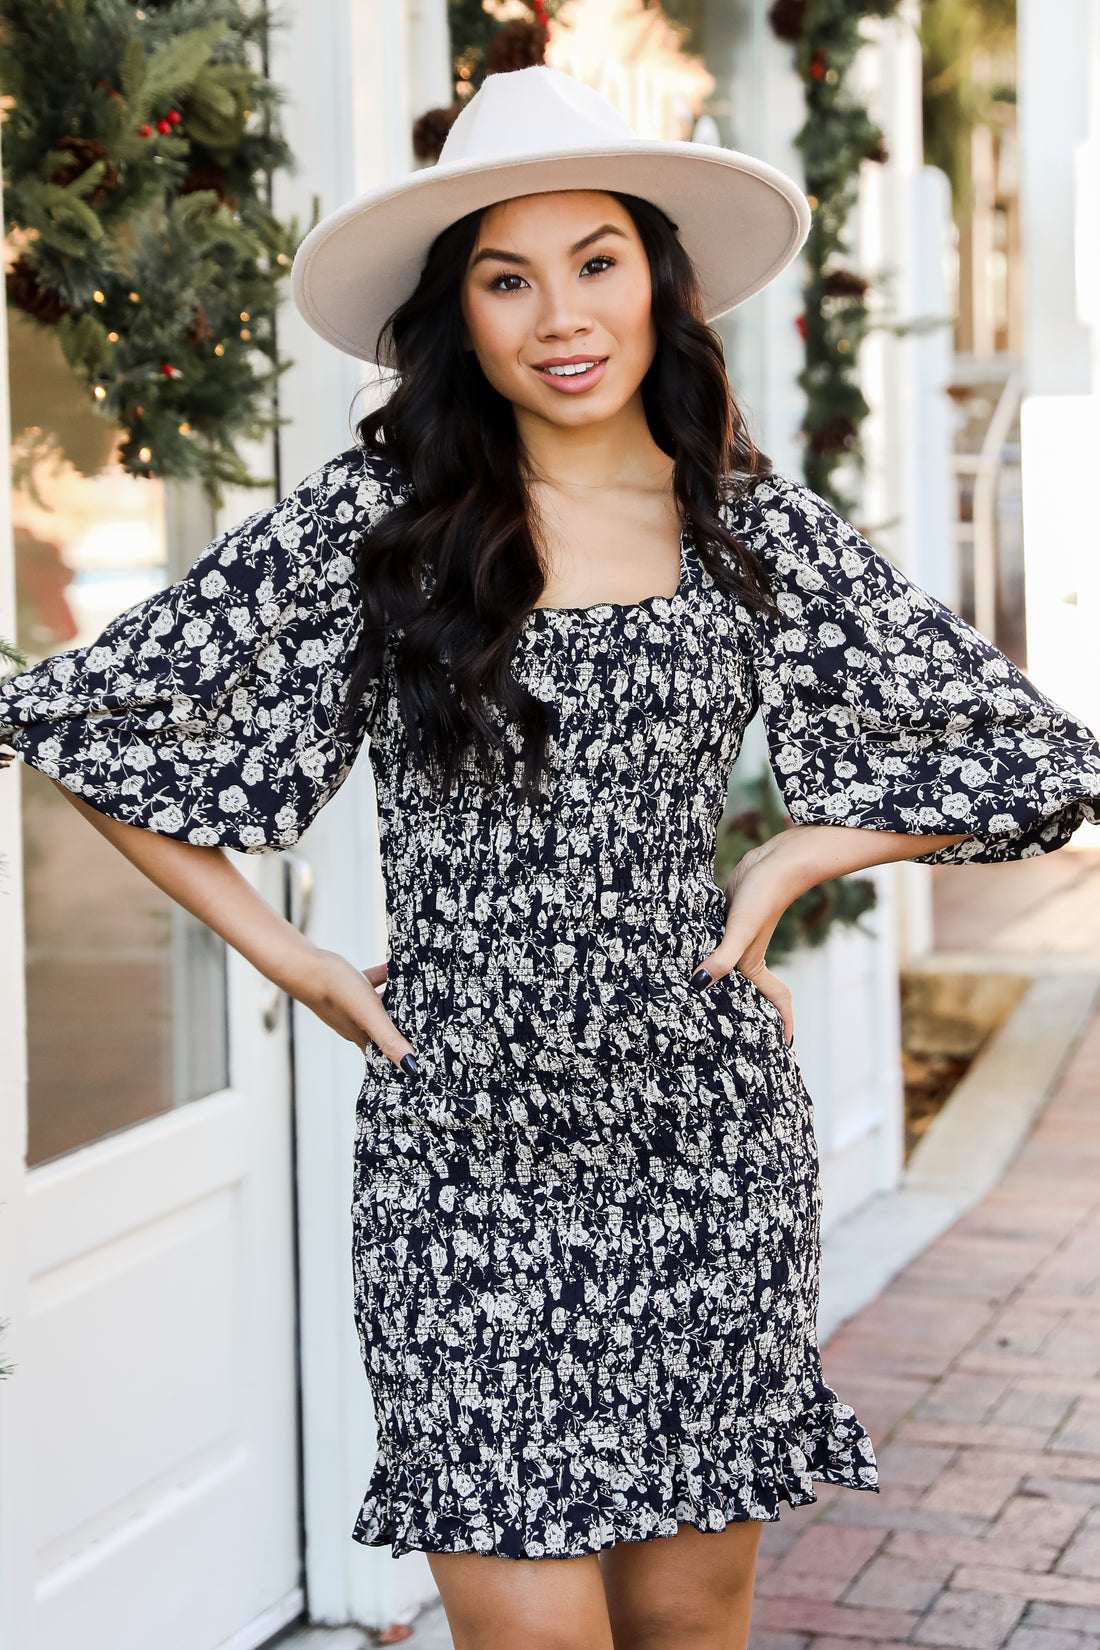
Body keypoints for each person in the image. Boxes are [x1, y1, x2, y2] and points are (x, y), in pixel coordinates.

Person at [3, 64, 1100, 1650]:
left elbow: (1039, 759)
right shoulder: (379, 523)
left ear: (660, 280)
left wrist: (798, 857)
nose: (561, 315)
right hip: (463, 1155)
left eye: (597, 261)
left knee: (689, 1624)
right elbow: (96, 722)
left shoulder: (746, 523)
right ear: (464, 316)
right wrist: (299, 957)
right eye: (507, 280)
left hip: (698, 1139)